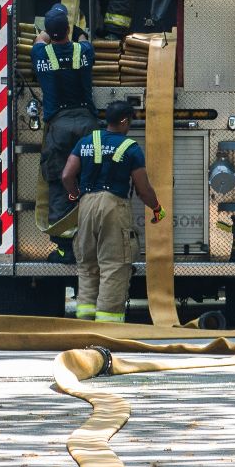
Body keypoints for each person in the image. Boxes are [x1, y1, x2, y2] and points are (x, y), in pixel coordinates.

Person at [61, 100, 164, 322]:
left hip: (86, 205)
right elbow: (143, 189)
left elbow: (66, 176)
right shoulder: (131, 148)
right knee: (114, 266)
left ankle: (85, 320)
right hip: (113, 206)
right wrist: (157, 209)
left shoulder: (86, 142)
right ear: (125, 120)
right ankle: (108, 325)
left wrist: (75, 195)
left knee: (87, 265)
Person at [35, 3, 98, 257]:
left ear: (50, 31)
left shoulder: (41, 53)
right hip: (86, 124)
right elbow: (84, 41)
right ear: (68, 29)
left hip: (59, 127)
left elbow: (40, 39)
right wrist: (79, 31)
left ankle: (65, 248)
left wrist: (50, 32)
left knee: (61, 182)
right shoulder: (83, 51)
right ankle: (92, 240)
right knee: (92, 182)